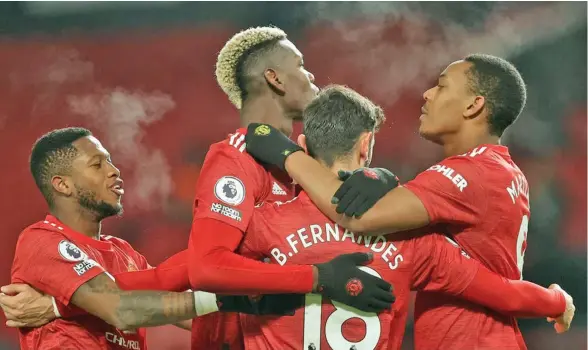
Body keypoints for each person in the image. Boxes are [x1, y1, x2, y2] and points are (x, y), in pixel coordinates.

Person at [1, 26, 394, 350]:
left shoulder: (296, 167)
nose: (311, 76)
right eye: (301, 65)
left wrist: (60, 304)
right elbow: (203, 268)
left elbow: (162, 282)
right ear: (274, 78)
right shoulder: (236, 158)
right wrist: (314, 277)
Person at [243, 54, 569, 349]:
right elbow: (504, 291)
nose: (427, 94)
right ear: (365, 145)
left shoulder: (469, 175)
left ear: (473, 106)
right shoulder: (500, 173)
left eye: (441, 86)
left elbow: (359, 217)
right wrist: (554, 300)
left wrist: (287, 155)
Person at [1, 127, 303, 350]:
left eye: (110, 161)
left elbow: (181, 301)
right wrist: (224, 298)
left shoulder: (124, 254)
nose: (114, 171)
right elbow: (121, 309)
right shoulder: (42, 241)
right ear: (62, 185)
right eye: (97, 164)